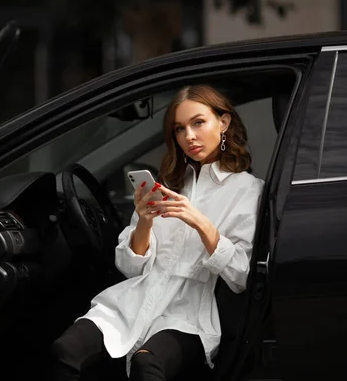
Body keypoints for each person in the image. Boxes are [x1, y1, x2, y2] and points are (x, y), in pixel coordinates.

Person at [50, 84, 264, 381]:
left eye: (198, 122)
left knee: (146, 365)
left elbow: (242, 275)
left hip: (188, 312)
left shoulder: (248, 190)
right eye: (179, 129)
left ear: (223, 122)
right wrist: (145, 222)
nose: (188, 136)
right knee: (65, 351)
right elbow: (128, 266)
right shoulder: (167, 184)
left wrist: (201, 223)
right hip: (135, 299)